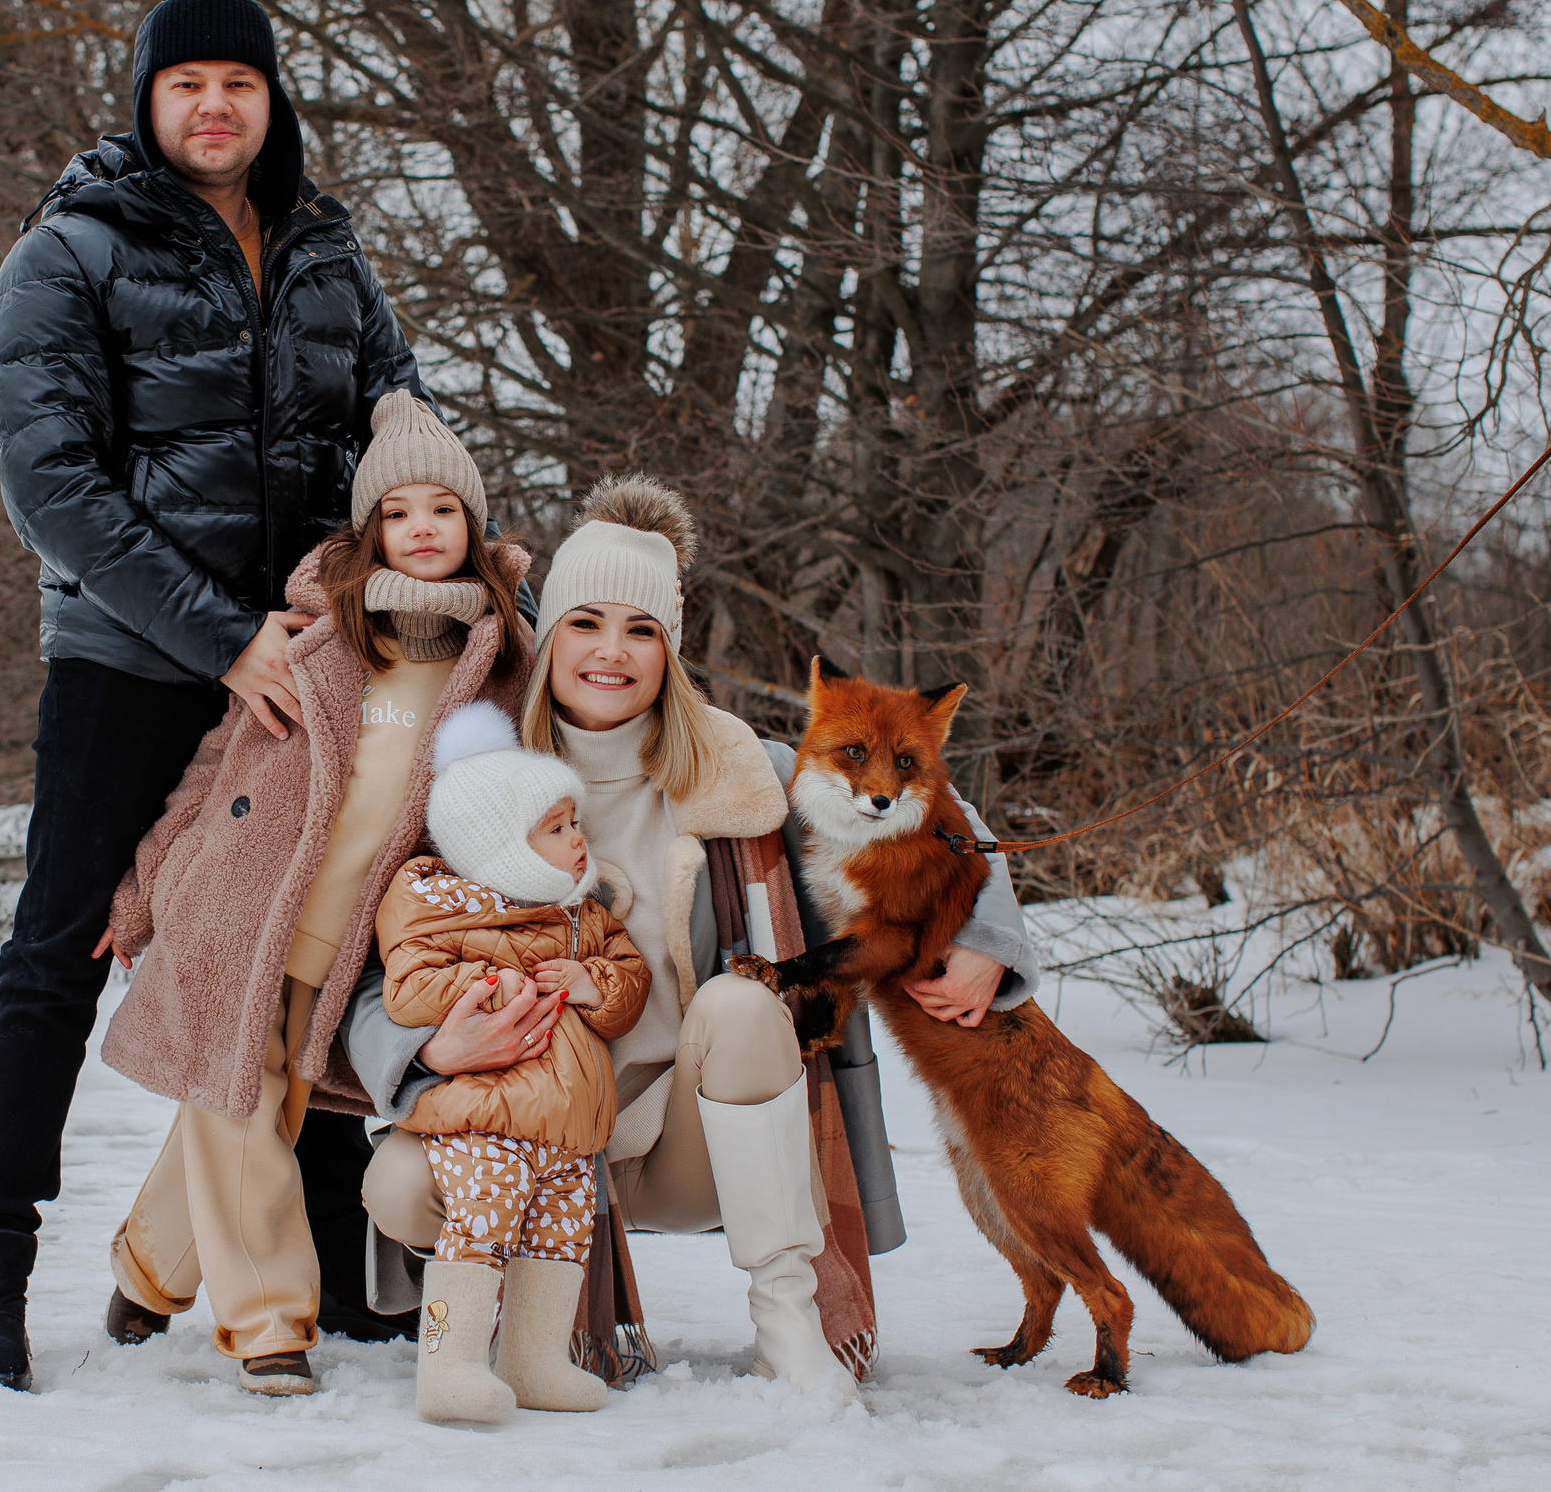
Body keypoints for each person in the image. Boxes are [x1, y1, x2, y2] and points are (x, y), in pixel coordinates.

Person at [0, 0, 430, 1389]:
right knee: (58, 953)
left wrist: (391, 589)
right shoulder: (68, 252)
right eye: (187, 85)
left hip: (312, 665)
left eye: (239, 83)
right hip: (131, 661)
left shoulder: (328, 255)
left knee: (321, 942)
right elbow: (54, 486)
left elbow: (401, 433)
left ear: (271, 102)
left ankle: (333, 1262)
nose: (214, 106)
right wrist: (226, 636)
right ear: (147, 101)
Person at [348, 475, 1041, 1393]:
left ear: (669, 650)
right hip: (525, 1124)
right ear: (549, 636)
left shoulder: (736, 768)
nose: (611, 651)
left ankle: (789, 1323)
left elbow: (934, 822)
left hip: (692, 1135)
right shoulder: (483, 779)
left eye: (642, 630)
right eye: (586, 622)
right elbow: (381, 961)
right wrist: (428, 1046)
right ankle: (521, 1316)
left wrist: (988, 934)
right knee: (397, 1183)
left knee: (743, 1003)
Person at [91, 394, 535, 1396]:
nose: (422, 529)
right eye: (398, 512)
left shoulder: (501, 664)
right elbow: (213, 771)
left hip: (352, 946)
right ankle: (269, 1326)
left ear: (472, 526)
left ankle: (145, 1272)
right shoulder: (311, 639)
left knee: (249, 1109)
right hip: (237, 912)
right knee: (241, 1114)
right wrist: (142, 893)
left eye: (443, 510)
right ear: (370, 530)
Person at [374, 702, 651, 1424]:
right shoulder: (437, 901)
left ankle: (532, 1361)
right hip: (486, 1118)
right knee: (480, 1228)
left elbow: (631, 980)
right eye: (556, 829)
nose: (579, 839)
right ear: (502, 845)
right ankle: (447, 1364)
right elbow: (407, 988)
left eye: (574, 822)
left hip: (567, 1125)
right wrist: (493, 985)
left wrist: (594, 981)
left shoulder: (582, 915)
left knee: (560, 1234)